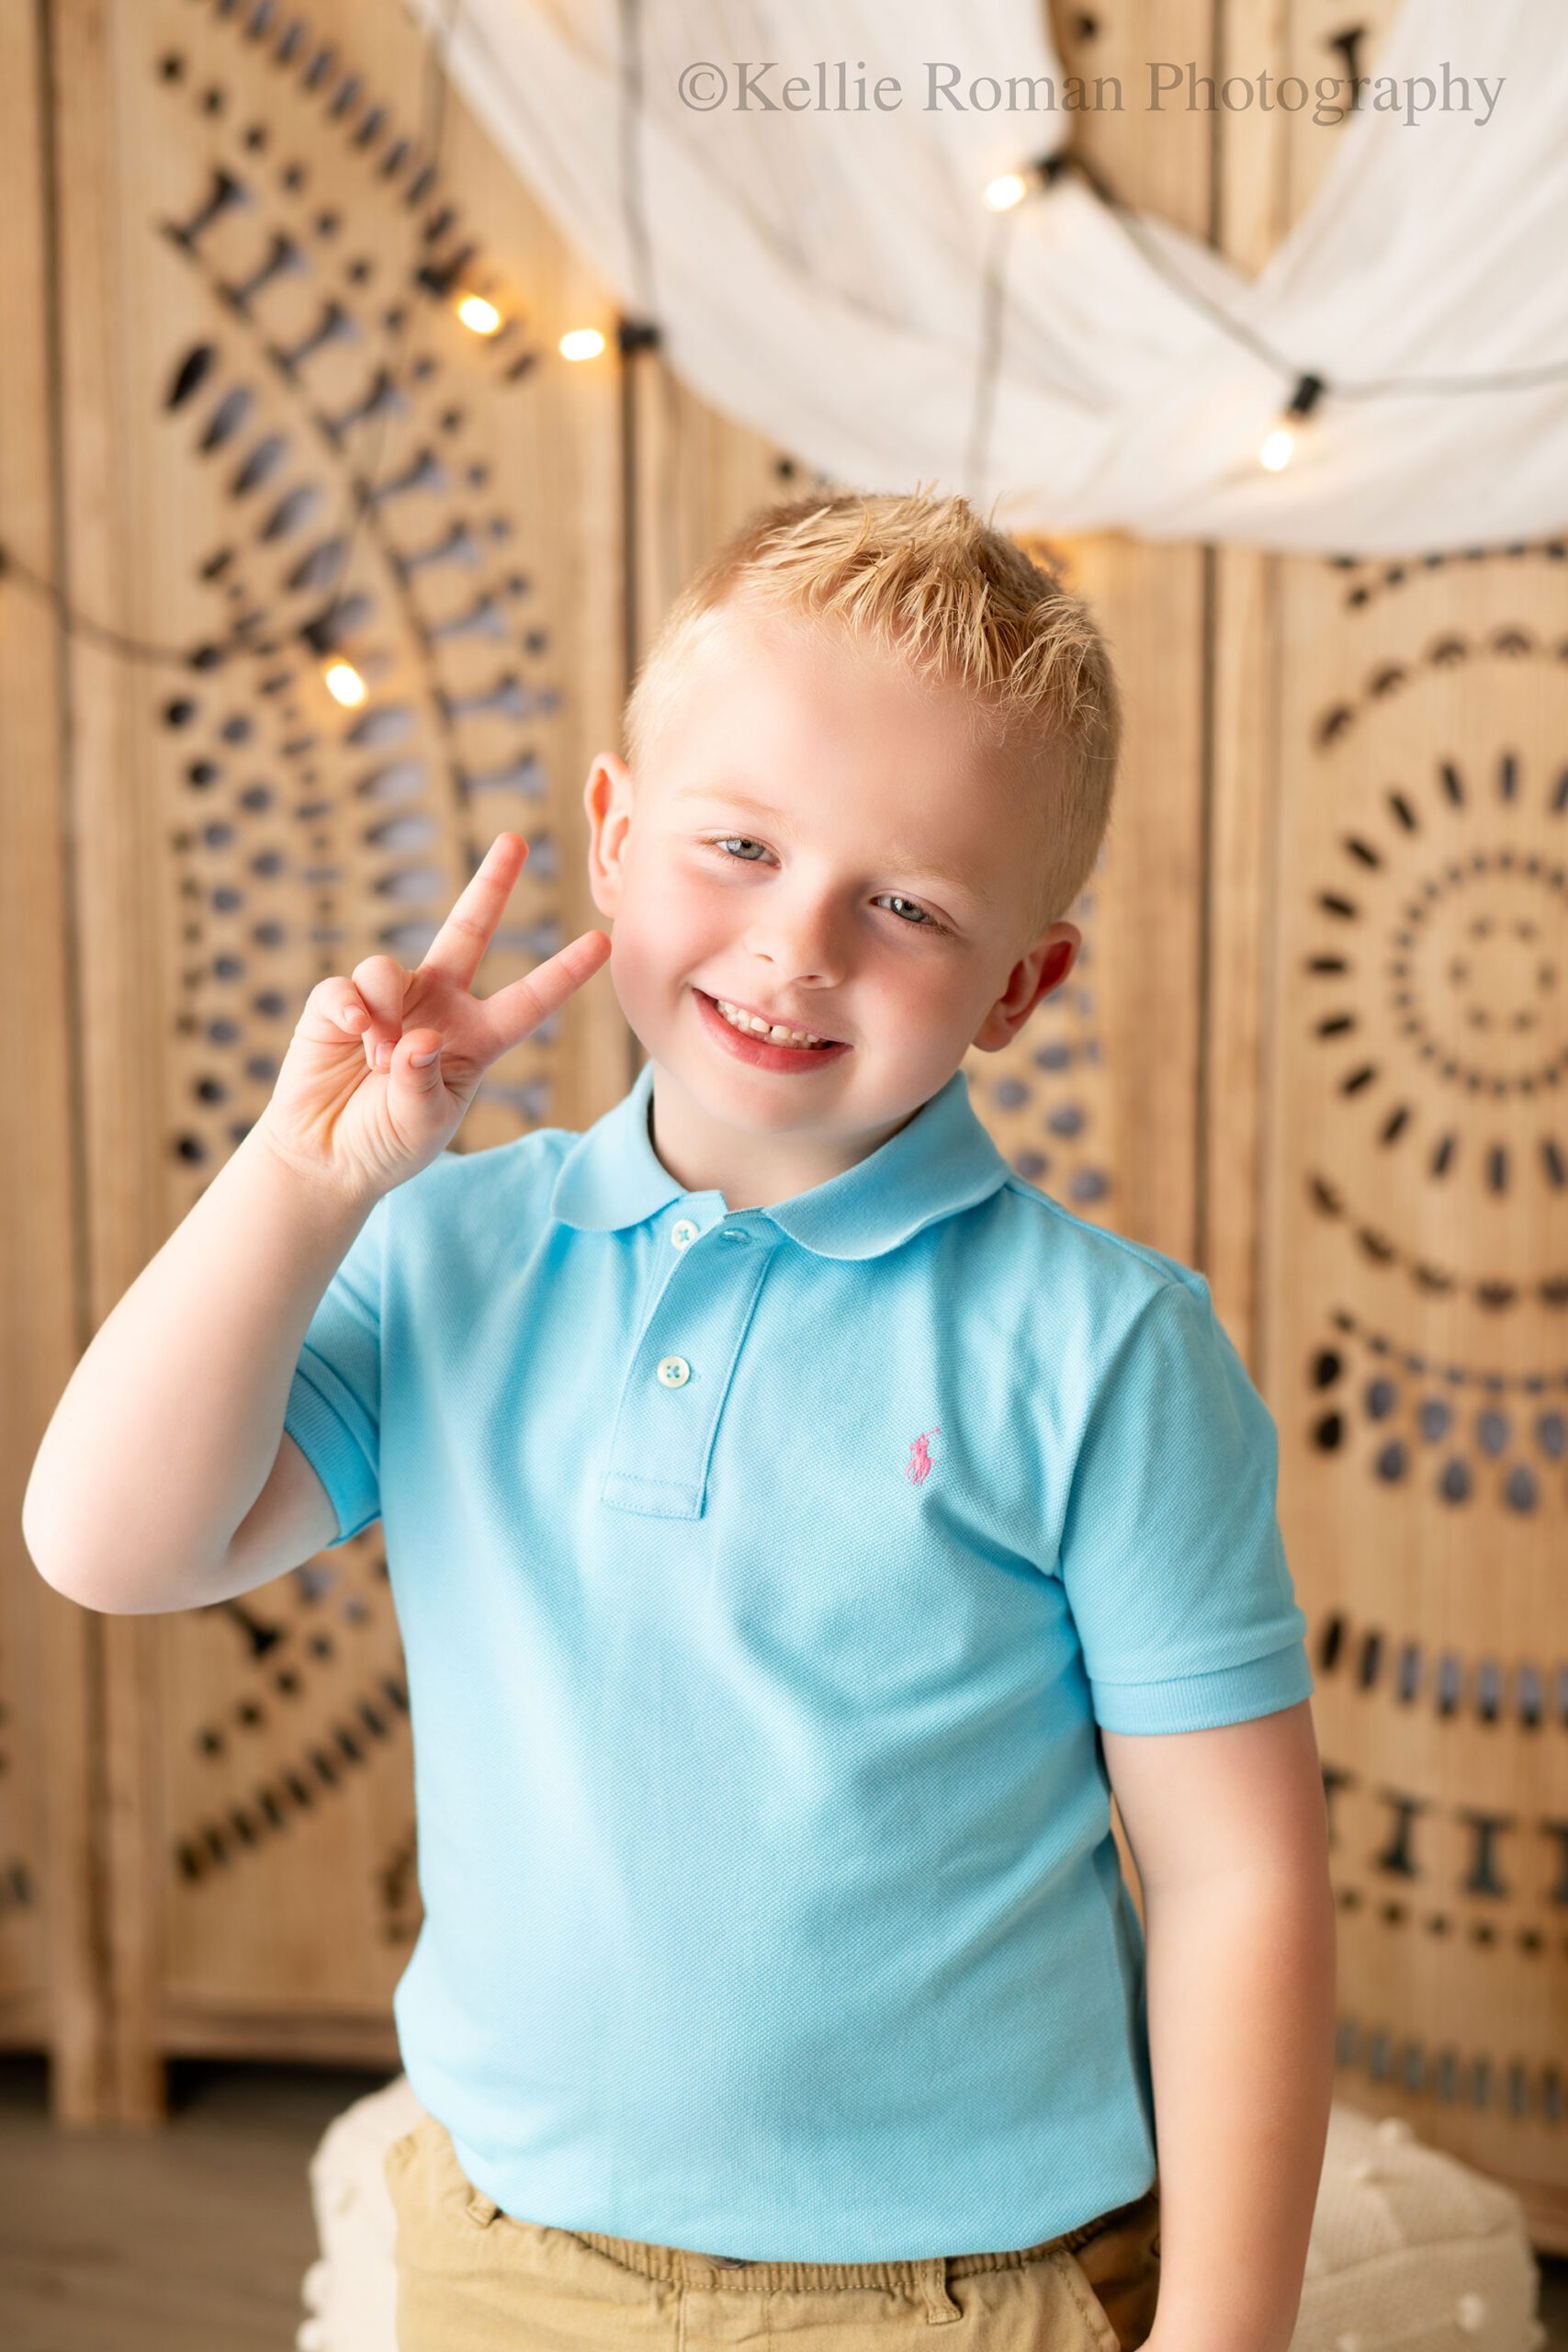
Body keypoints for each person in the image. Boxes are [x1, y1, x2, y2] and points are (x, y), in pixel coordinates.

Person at [23, 492, 1335, 2351]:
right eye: (736, 844)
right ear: (614, 840)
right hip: (513, 2255)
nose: (797, 945)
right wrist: (301, 1184)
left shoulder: (1102, 1346)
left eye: (904, 903)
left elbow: (1234, 1877)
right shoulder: (451, 1249)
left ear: (1015, 987)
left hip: (956, 2285)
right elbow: (107, 1540)